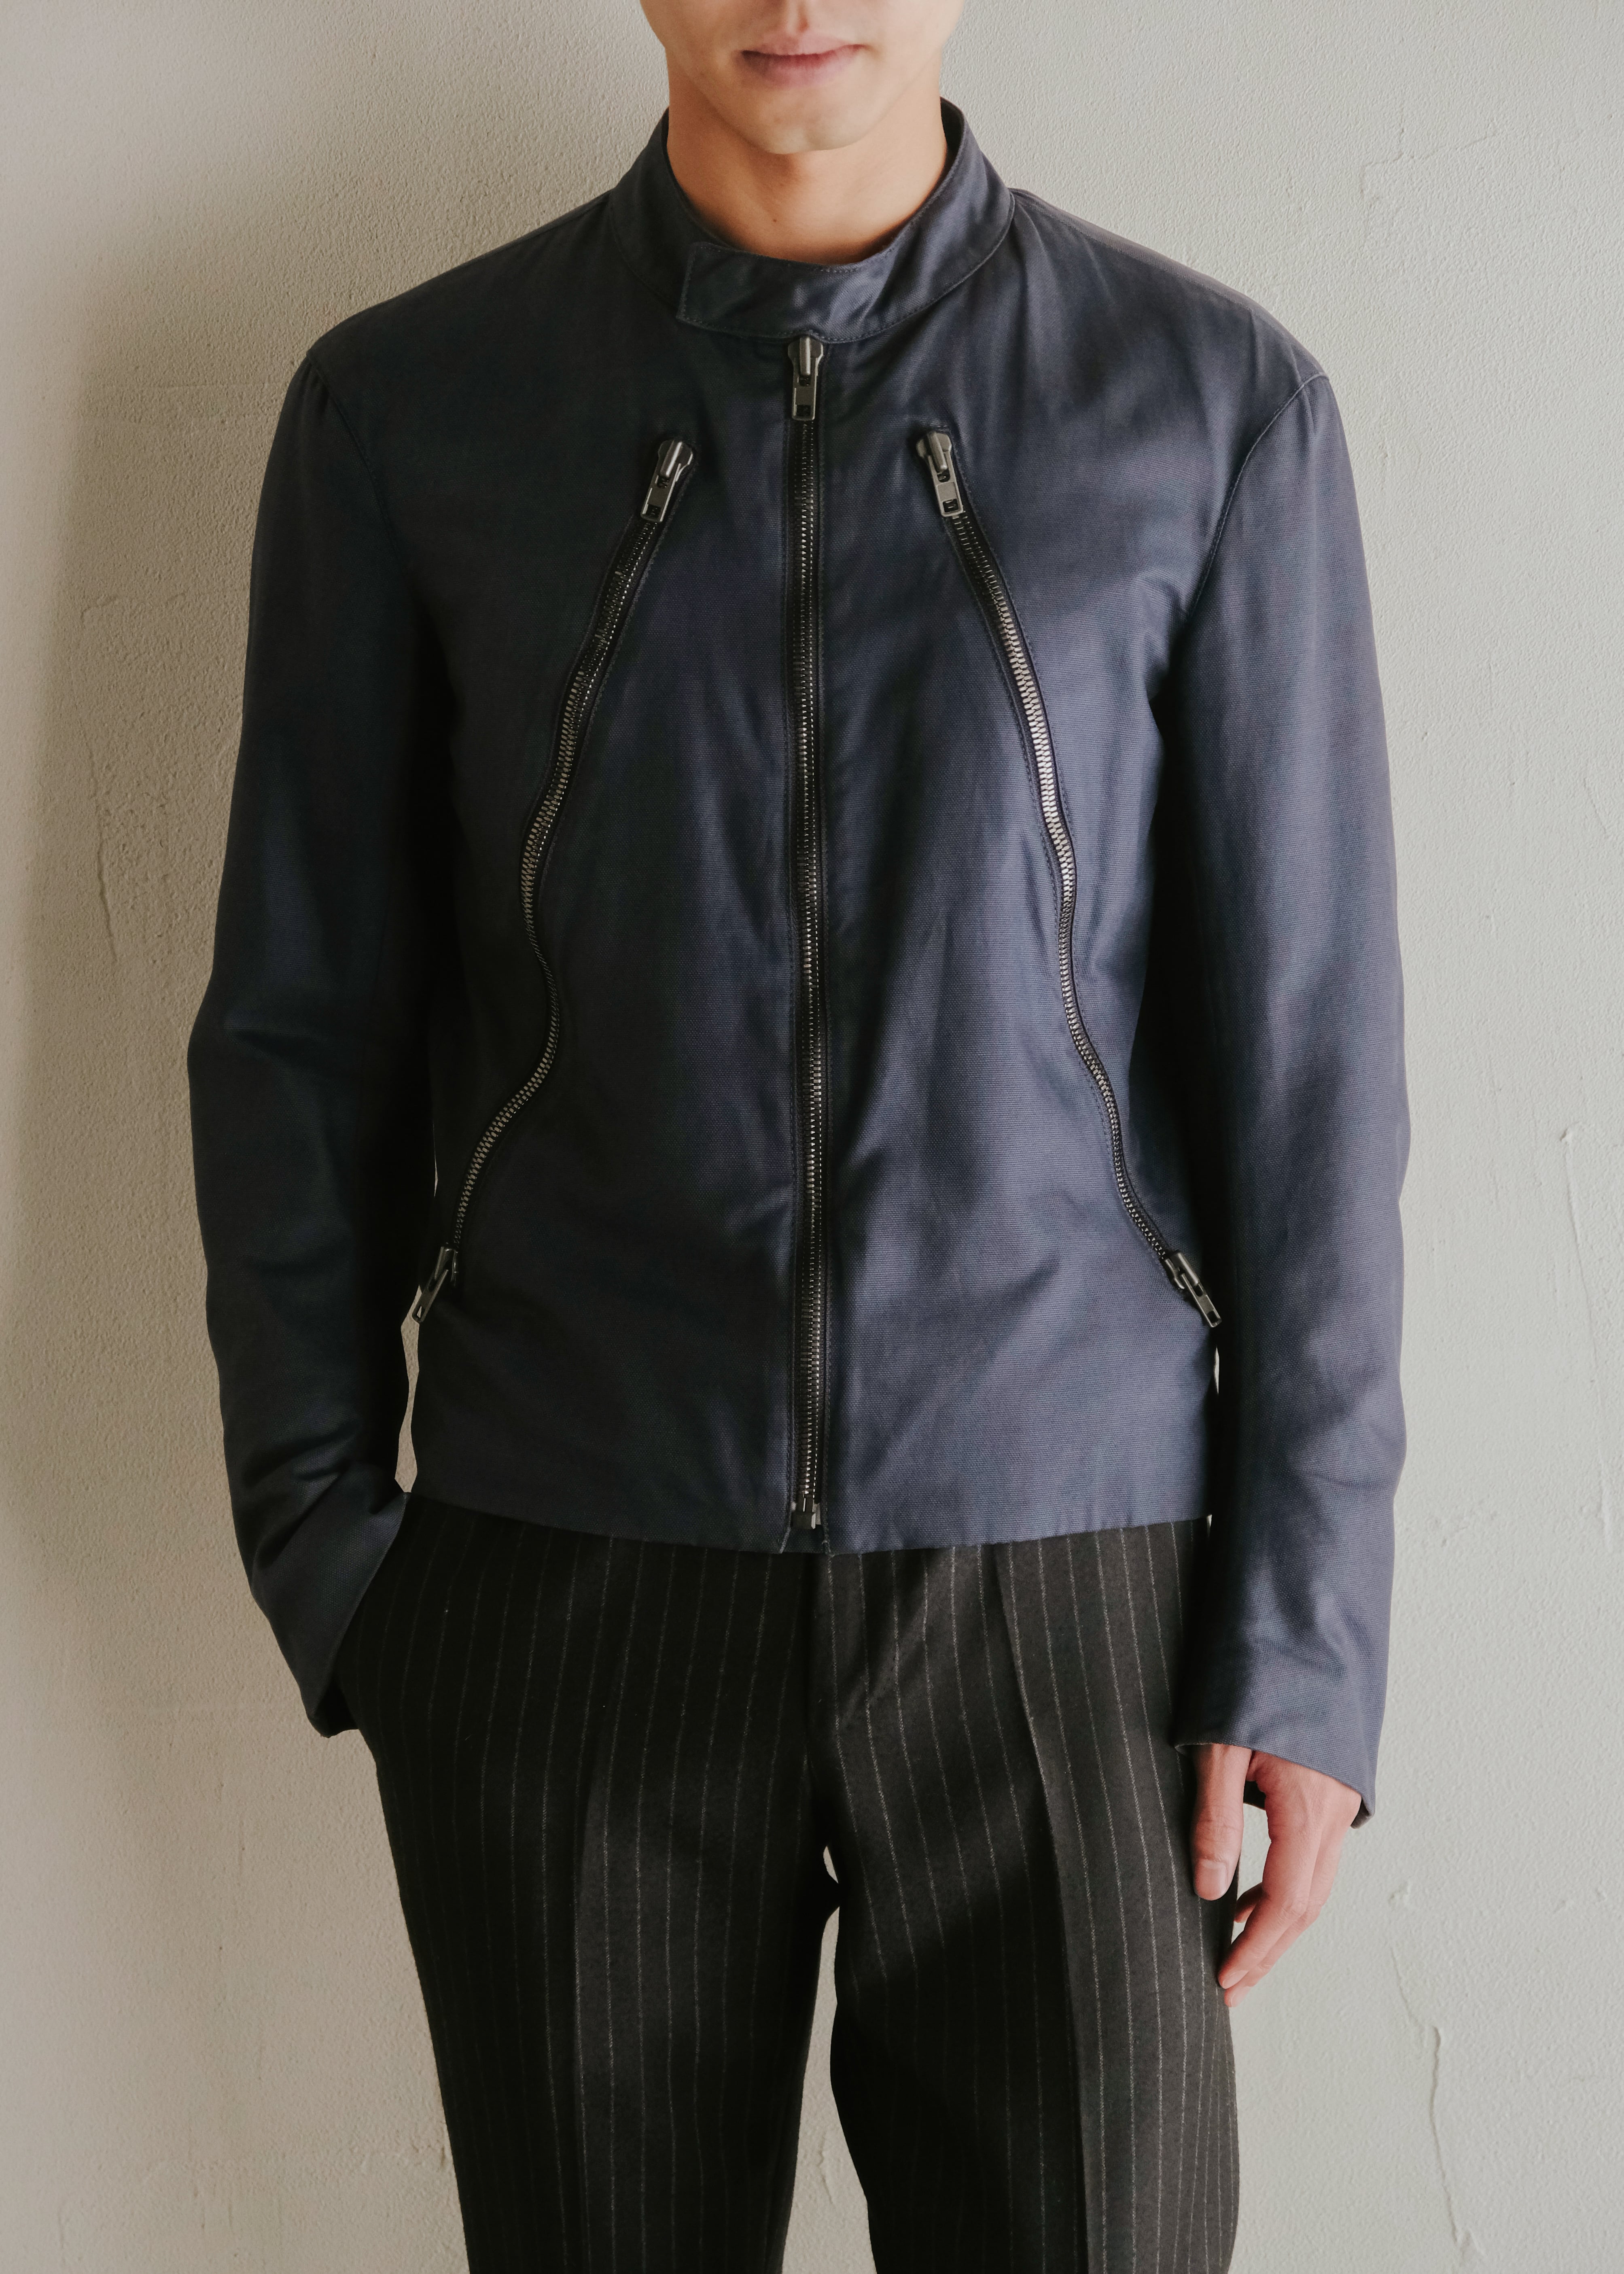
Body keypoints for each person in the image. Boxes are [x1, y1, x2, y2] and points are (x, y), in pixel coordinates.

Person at [188, 1, 1407, 2266]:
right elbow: (296, 1027)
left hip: (1077, 1606)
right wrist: (344, 1570)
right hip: (568, 1587)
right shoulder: (409, 411)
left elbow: (1312, 1077)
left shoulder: (1212, 409)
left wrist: (1306, 1637)